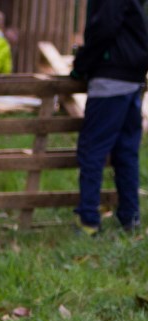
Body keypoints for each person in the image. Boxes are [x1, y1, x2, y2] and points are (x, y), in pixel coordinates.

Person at [71, 0, 148, 235]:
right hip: (133, 77)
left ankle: (88, 221)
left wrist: (82, 63)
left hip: (110, 77)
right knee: (126, 151)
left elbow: (104, 27)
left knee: (92, 150)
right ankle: (130, 218)